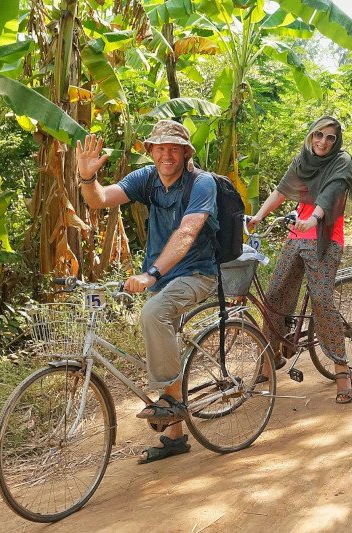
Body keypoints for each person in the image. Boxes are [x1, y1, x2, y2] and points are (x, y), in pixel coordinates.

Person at [76, 120, 218, 463]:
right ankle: (174, 436)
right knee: (160, 329)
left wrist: (152, 274)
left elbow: (187, 233)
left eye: (173, 148)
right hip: (163, 275)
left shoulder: (202, 183)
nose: (166, 155)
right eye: (160, 148)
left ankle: (171, 401)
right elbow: (101, 200)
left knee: (153, 313)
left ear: (186, 152)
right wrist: (87, 177)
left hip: (197, 272)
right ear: (150, 152)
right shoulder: (147, 179)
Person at [247, 116, 352, 404]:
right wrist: (258, 217)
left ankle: (341, 368)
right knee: (273, 295)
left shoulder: (341, 161)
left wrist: (315, 218)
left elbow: (332, 193)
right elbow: (283, 190)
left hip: (325, 237)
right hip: (298, 234)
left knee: (321, 299)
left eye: (330, 137)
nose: (323, 141)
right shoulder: (303, 159)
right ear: (311, 136)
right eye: (318, 135)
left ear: (337, 141)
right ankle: (272, 356)